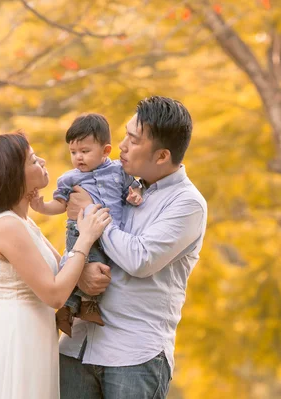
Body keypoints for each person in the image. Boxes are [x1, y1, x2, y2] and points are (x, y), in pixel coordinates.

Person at [59, 96, 208, 399]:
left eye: (134, 139)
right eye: (126, 133)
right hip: (77, 348)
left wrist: (90, 212)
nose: (122, 145)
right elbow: (77, 241)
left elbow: (139, 258)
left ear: (162, 155)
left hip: (134, 358)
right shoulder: (119, 184)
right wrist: (80, 271)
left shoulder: (187, 204)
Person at [0, 132, 111, 399]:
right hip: (19, 338)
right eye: (32, 160)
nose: (42, 161)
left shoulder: (22, 222)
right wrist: (87, 236)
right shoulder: (7, 225)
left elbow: (63, 269)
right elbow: (54, 294)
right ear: (12, 175)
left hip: (35, 335)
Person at [30, 113, 142, 336]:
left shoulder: (119, 171)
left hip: (109, 232)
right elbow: (60, 204)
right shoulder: (70, 179)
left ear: (105, 151)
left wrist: (135, 194)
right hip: (78, 230)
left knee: (99, 268)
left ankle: (85, 306)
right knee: (75, 263)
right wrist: (42, 208)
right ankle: (67, 309)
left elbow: (135, 187)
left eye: (85, 151)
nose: (78, 158)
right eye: (73, 152)